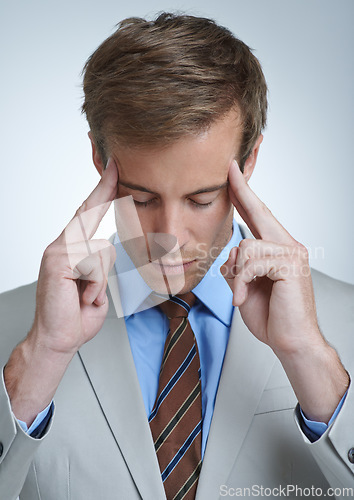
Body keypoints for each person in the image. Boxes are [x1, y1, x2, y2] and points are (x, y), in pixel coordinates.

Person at [0, 12, 353, 500]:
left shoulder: (348, 321)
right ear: (101, 162)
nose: (169, 236)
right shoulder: (10, 332)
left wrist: (311, 360)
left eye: (201, 200)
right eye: (141, 199)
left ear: (249, 164)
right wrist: (37, 360)